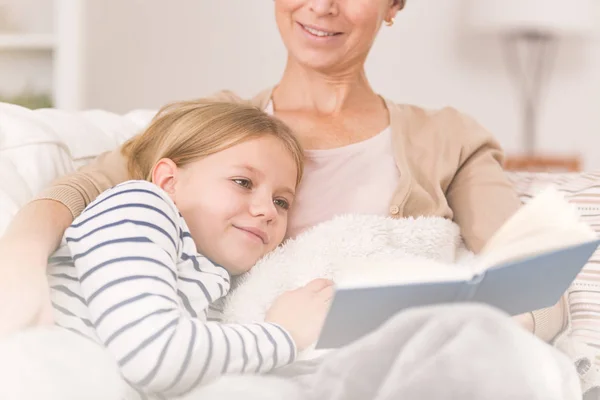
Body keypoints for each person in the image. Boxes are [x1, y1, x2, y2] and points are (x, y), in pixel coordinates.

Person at [0, 0, 575, 393]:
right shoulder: (217, 127)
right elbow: (86, 189)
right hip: (246, 370)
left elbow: (538, 277)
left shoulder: (448, 137)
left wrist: (466, 339)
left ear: (394, 5)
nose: (321, 5)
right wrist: (20, 258)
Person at [48, 100, 334, 399]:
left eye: (281, 202)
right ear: (169, 181)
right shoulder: (139, 205)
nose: (268, 211)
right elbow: (153, 355)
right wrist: (284, 333)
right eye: (243, 182)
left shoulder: (221, 288)